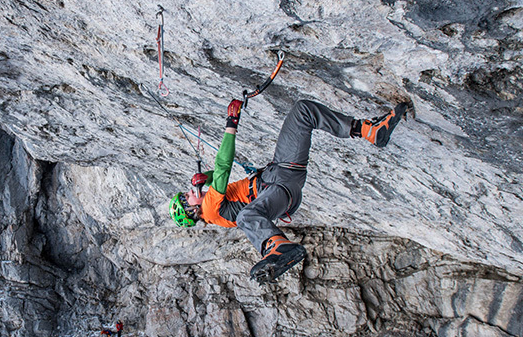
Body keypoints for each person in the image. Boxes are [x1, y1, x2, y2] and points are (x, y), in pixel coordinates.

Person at [169, 98, 411, 283]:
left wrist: (205, 178)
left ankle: (369, 130)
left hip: (282, 178)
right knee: (246, 217)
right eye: (186, 196)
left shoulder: (214, 208)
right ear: (191, 210)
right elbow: (223, 167)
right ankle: (276, 247)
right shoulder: (210, 208)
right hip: (279, 185)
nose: (190, 191)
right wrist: (231, 125)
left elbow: (219, 179)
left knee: (303, 112)